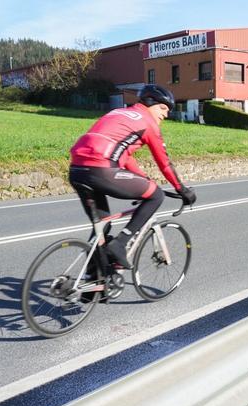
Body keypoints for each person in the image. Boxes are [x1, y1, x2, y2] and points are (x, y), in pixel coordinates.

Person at [68, 84, 196, 269]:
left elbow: (125, 156)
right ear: (150, 102)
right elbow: (164, 163)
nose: (166, 114)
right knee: (156, 195)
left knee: (102, 227)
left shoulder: (118, 113)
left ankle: (92, 285)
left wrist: (145, 180)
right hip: (102, 169)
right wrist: (182, 189)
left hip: (77, 170)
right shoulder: (148, 123)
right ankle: (120, 243)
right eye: (163, 108)